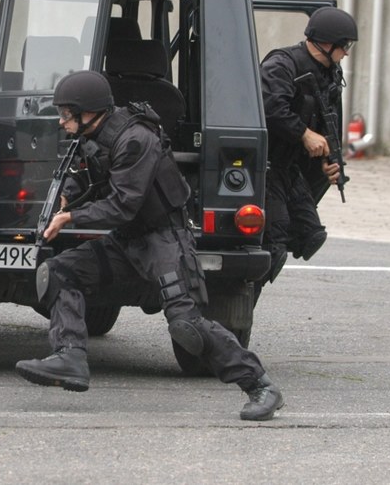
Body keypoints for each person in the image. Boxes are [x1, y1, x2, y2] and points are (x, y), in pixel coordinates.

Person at [15, 70, 284, 421]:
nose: (63, 121)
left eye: (67, 114)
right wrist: (68, 194)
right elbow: (84, 174)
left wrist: (71, 218)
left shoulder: (135, 139)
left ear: (89, 112)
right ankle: (70, 357)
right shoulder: (92, 135)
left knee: (186, 326)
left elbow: (123, 204)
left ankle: (261, 385)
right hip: (128, 239)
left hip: (164, 240)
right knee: (60, 271)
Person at [257, 7, 357, 299]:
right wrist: (304, 133)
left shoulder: (329, 73)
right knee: (273, 244)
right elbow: (271, 108)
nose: (346, 54)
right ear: (326, 43)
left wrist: (329, 161)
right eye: (344, 46)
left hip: (291, 168)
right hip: (266, 165)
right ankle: (232, 310)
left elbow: (328, 122)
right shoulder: (281, 65)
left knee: (310, 235)